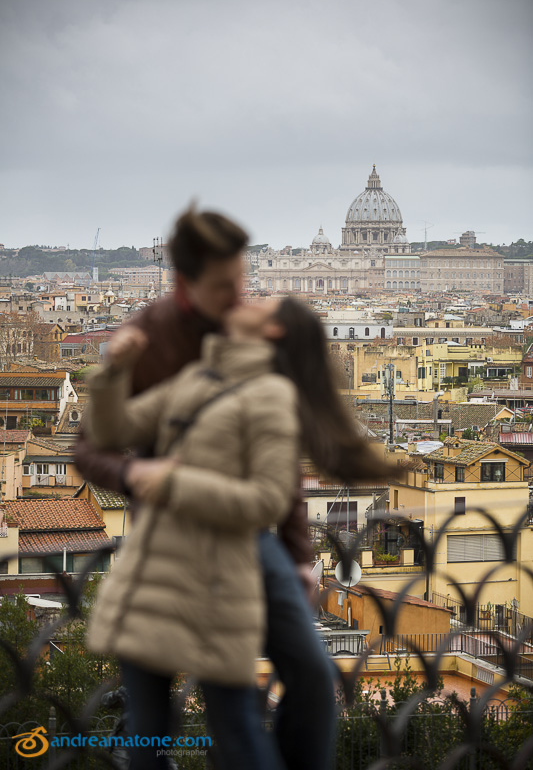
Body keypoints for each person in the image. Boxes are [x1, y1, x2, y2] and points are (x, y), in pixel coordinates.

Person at [75, 207, 336, 770]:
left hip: (244, 527)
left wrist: (299, 554)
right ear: (183, 285)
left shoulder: (244, 341)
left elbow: (276, 457)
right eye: (227, 287)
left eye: (245, 283)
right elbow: (95, 441)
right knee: (174, 714)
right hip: (167, 529)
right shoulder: (149, 334)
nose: (241, 297)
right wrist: (135, 475)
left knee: (309, 677)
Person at [84, 295, 392, 770]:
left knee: (225, 721)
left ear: (270, 332)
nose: (245, 296)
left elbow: (270, 495)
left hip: (213, 565)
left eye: (262, 303)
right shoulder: (198, 376)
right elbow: (114, 428)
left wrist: (169, 481)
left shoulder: (268, 395)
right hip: (162, 560)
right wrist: (112, 374)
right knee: (167, 723)